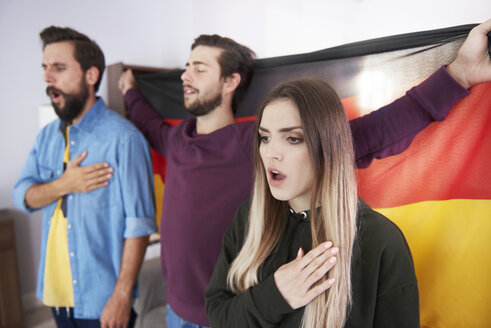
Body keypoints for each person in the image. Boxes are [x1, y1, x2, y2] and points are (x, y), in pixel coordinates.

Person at [118, 20, 491, 328]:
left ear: (230, 82)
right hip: (181, 309)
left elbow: (376, 131)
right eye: (186, 67)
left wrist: (456, 77)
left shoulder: (251, 144)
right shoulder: (177, 140)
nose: (186, 75)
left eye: (199, 68)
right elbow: (148, 124)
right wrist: (130, 91)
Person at [205, 77, 419, 328]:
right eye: (265, 138)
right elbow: (217, 313)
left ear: (328, 146)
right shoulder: (249, 217)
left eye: (293, 139)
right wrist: (274, 296)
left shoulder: (380, 239)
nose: (271, 152)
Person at [13, 26, 157, 328]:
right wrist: (64, 185)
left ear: (91, 76)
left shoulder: (125, 139)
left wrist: (121, 296)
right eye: (44, 68)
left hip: (103, 300)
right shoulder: (46, 137)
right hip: (55, 295)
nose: (46, 78)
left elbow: (140, 224)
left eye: (58, 68)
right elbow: (22, 195)